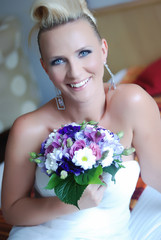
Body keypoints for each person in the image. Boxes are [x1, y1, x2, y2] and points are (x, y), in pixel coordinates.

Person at [1, 0, 161, 239]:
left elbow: (157, 175)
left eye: (83, 53)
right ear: (45, 68)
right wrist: (70, 202)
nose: (74, 72)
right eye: (58, 61)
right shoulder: (28, 128)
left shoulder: (133, 103)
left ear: (103, 50)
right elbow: (12, 211)